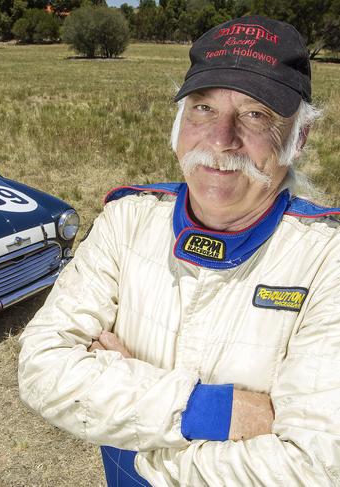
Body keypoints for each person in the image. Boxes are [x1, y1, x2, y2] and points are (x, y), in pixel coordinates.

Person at [18, 15, 340, 486]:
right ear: (179, 122)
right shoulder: (127, 220)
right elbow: (42, 366)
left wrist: (139, 440)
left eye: (255, 114)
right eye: (203, 108)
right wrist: (213, 410)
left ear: (298, 139)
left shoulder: (326, 261)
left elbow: (313, 466)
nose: (220, 138)